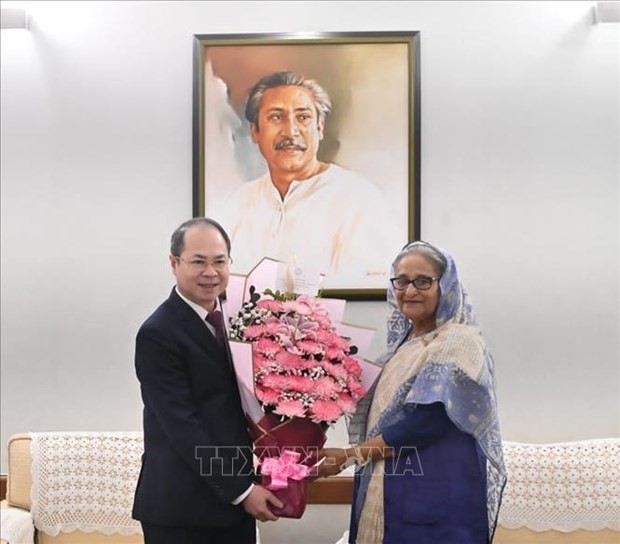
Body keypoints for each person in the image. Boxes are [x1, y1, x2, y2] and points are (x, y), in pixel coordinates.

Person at [317, 241, 506, 543]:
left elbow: (428, 422)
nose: (410, 290)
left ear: (445, 286)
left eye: (423, 281)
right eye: (402, 281)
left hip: (436, 491)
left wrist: (349, 455)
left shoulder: (458, 341)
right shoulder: (401, 347)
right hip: (390, 484)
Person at [132, 217, 283, 544]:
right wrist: (243, 491)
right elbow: (183, 427)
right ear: (174, 263)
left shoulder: (242, 321)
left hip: (232, 509)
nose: (210, 272)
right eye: (198, 261)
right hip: (180, 510)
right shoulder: (157, 334)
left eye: (219, 261)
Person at [214, 71, 402, 289]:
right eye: (276, 117)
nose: (291, 132)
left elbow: (369, 290)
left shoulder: (359, 200)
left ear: (320, 128)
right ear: (255, 131)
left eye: (303, 117)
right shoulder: (238, 204)